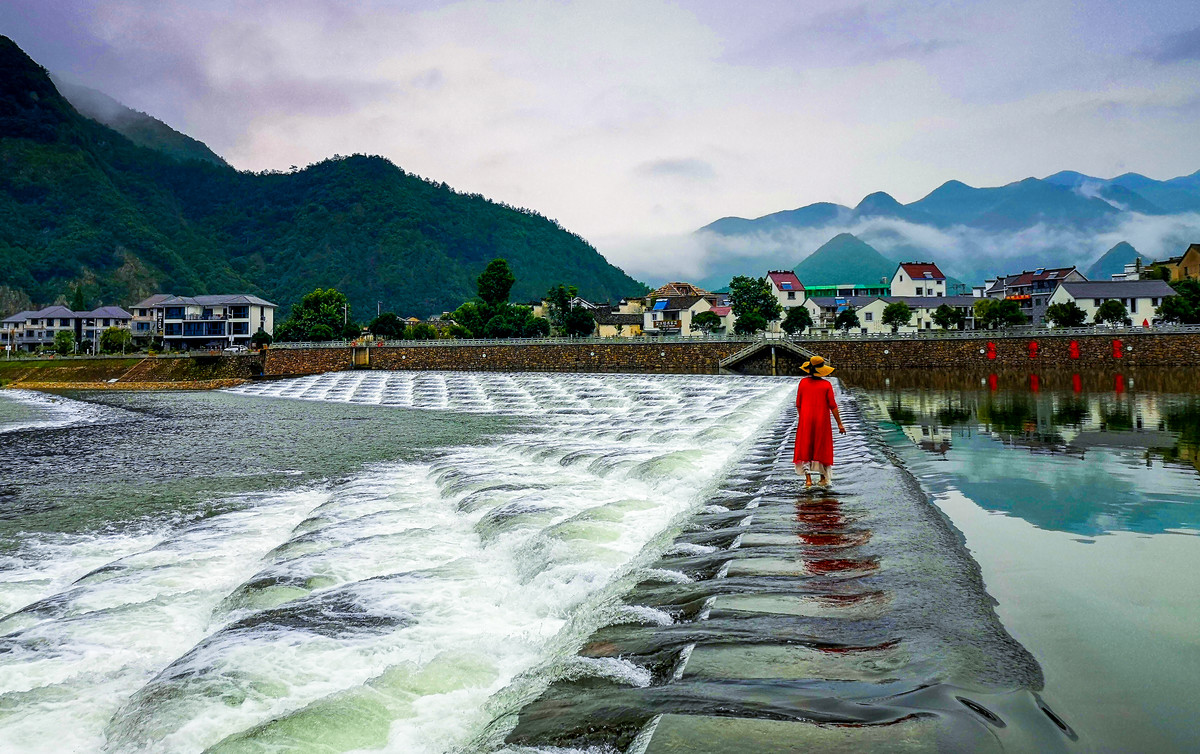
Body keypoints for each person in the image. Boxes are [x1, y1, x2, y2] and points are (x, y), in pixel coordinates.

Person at [793, 355, 845, 487]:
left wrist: (803, 418)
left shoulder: (803, 383)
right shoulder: (826, 385)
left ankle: (808, 480)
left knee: (805, 448)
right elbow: (833, 405)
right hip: (822, 421)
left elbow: (798, 404)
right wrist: (839, 424)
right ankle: (823, 479)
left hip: (806, 420)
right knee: (821, 447)